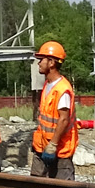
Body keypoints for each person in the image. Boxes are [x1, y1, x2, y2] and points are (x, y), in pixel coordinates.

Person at [31, 40, 76, 180]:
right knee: (36, 184)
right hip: (43, 145)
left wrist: (53, 144)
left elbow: (63, 119)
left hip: (59, 148)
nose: (38, 63)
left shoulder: (62, 89)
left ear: (51, 62)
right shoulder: (48, 84)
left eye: (41, 59)